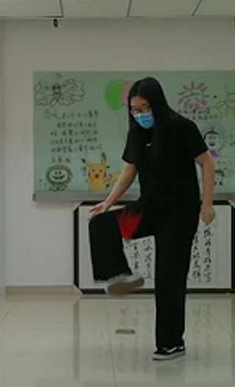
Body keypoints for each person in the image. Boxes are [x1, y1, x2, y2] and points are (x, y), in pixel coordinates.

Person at [88, 77, 216, 361]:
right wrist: (108, 202)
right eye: (134, 110)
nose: (139, 114)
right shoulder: (137, 132)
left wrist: (207, 204)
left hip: (179, 215)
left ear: (157, 104)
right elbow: (128, 171)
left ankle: (171, 343)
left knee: (169, 278)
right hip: (149, 210)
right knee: (101, 223)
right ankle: (120, 275)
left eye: (144, 108)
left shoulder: (182, 128)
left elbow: (207, 163)